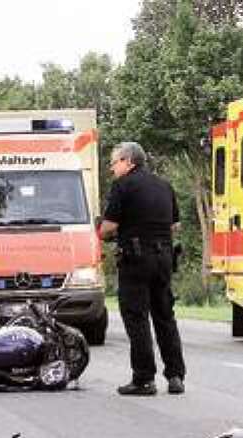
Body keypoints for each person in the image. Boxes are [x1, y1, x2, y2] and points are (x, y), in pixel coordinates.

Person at [98, 141, 186, 396]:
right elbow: (174, 226)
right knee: (165, 316)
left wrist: (107, 231)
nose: (112, 168)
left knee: (136, 319)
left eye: (114, 163)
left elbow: (108, 227)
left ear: (128, 161)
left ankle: (144, 379)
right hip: (164, 259)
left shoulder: (123, 186)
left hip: (136, 260)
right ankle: (176, 375)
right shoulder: (164, 186)